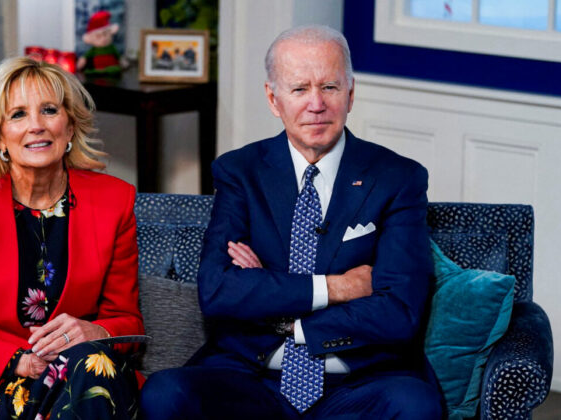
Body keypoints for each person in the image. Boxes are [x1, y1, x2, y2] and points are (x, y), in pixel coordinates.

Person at [140, 25, 443, 419]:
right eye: (300, 89)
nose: (316, 104)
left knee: (415, 405)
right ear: (273, 98)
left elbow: (399, 312)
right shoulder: (239, 172)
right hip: (250, 376)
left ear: (351, 93)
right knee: (166, 393)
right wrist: (337, 287)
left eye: (330, 88)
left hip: (359, 380)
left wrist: (283, 315)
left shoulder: (398, 178)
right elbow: (218, 292)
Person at [0, 57, 144, 420]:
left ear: (70, 127)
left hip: (81, 373)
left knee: (91, 371)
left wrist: (94, 329)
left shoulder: (114, 202)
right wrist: (19, 362)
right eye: (18, 114)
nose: (36, 126)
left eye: (50, 110)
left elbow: (128, 323)